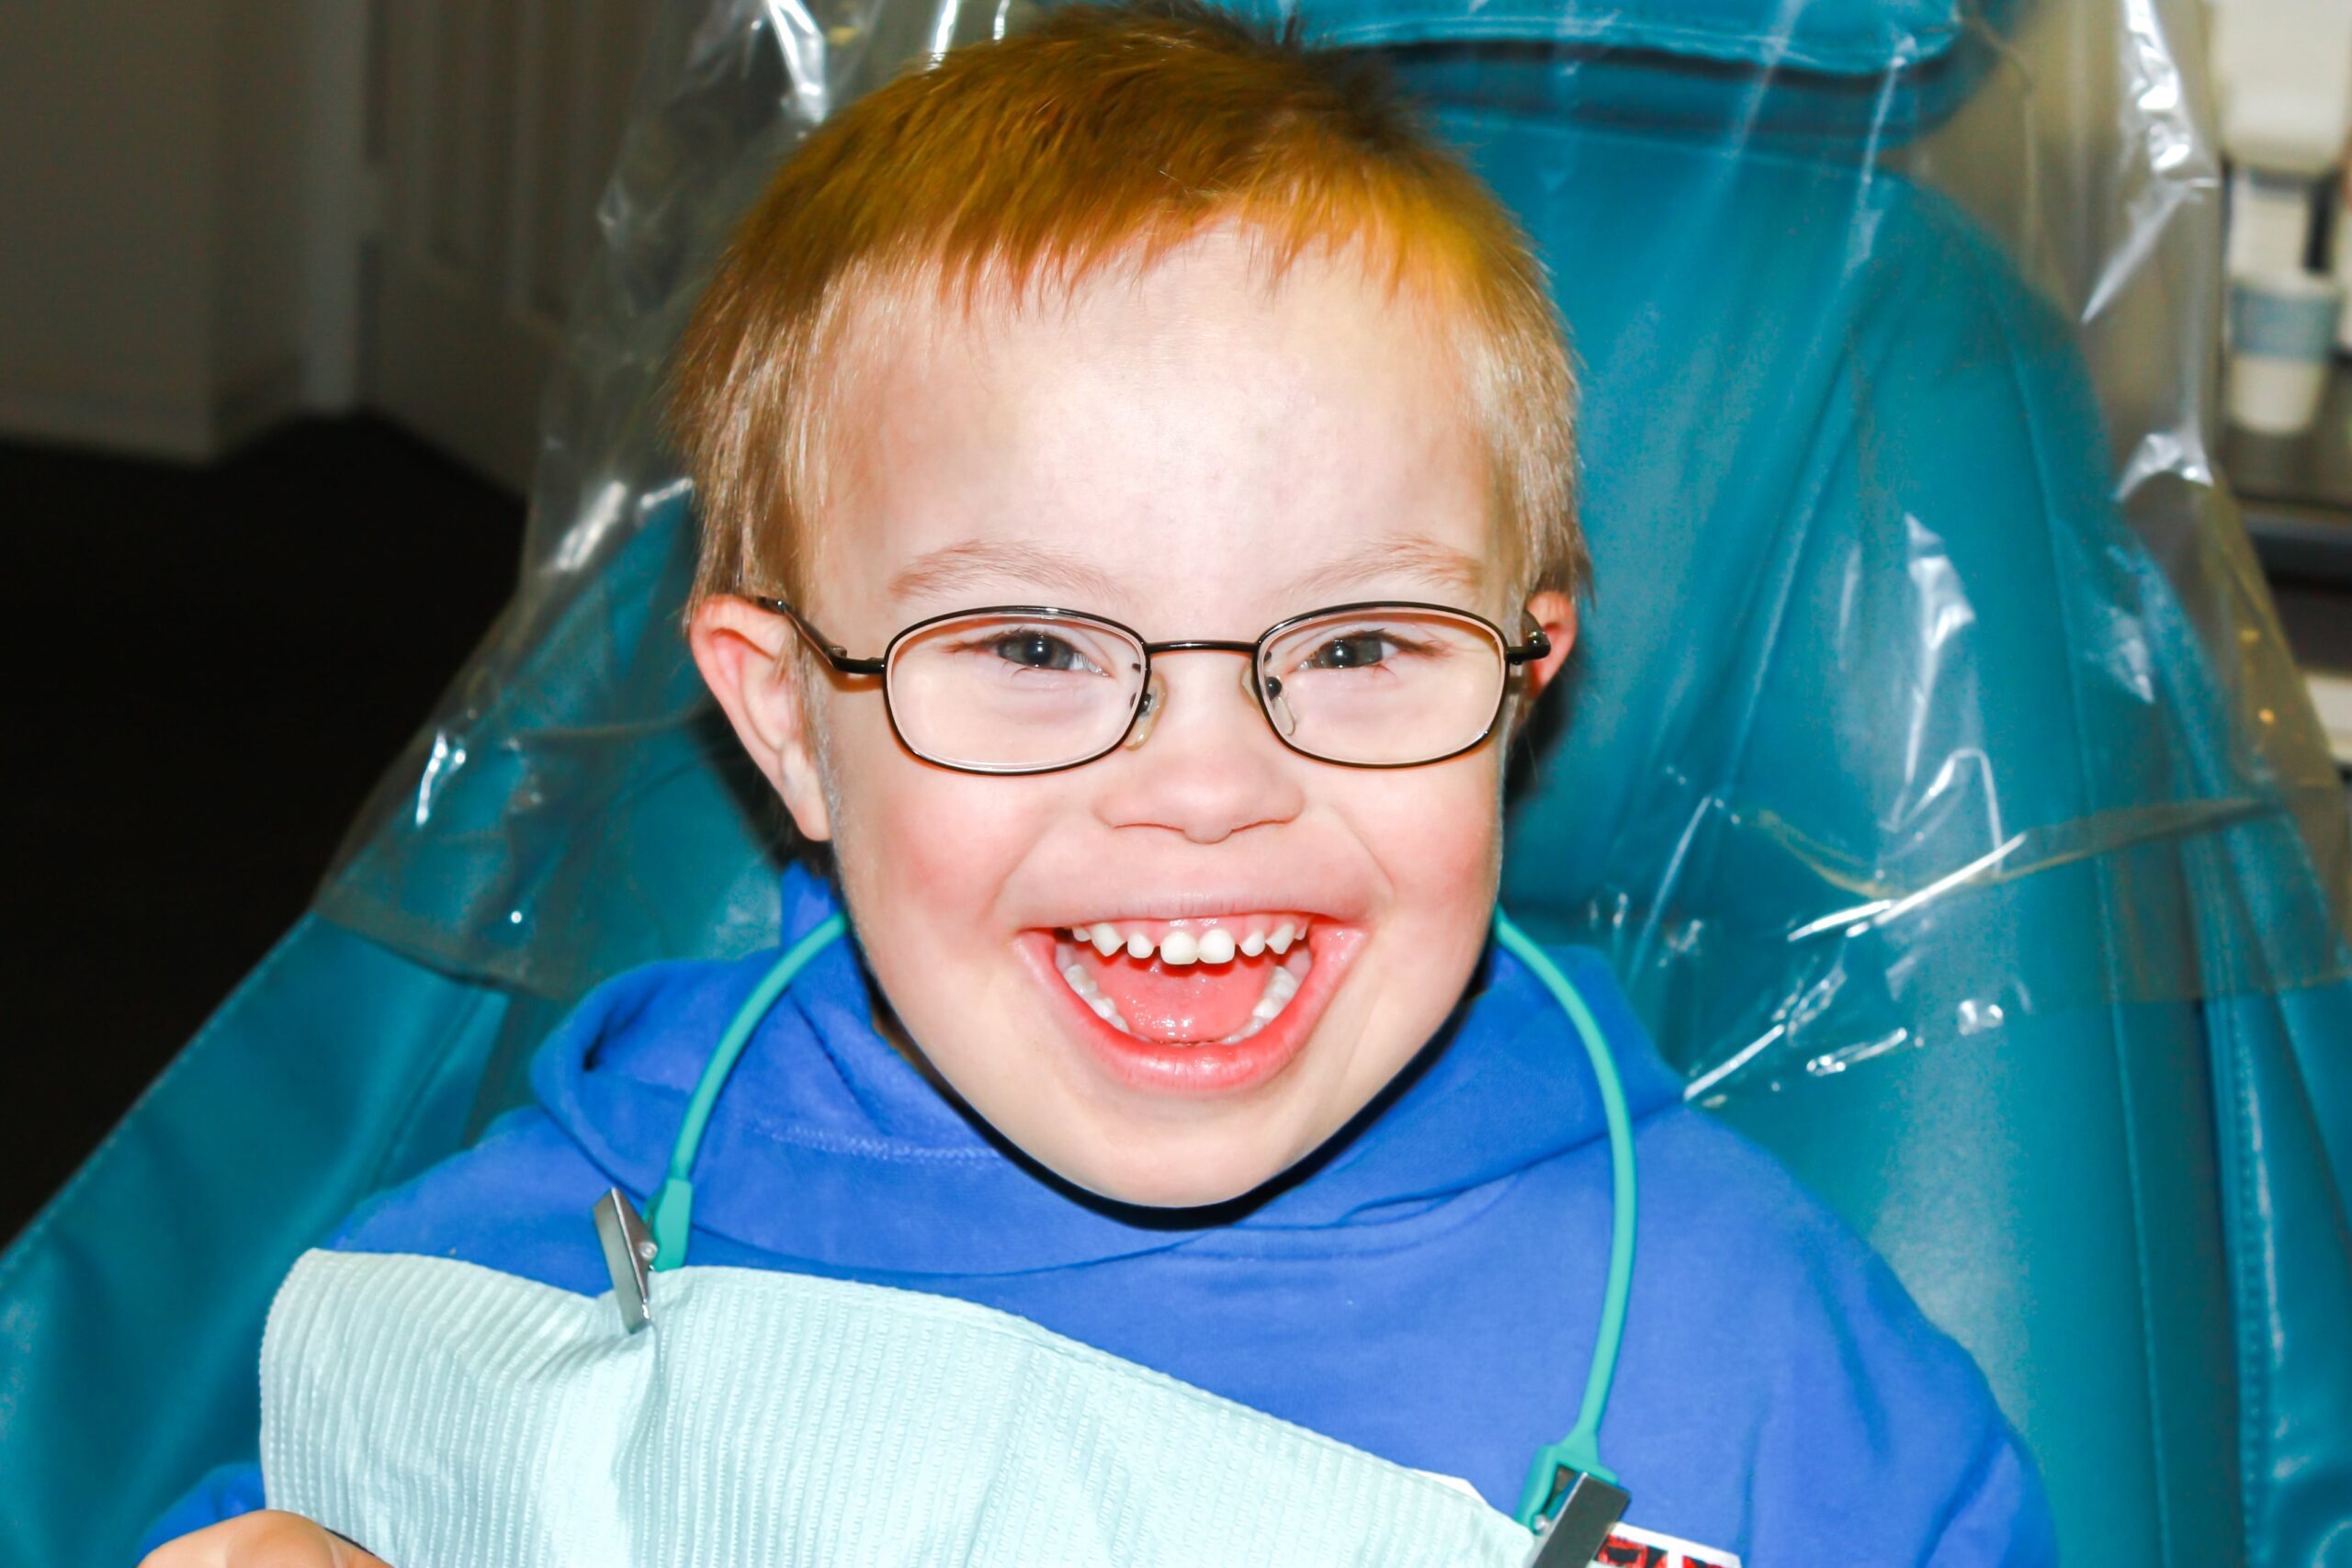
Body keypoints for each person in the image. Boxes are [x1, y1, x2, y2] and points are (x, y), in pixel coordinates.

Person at [141, 5, 2055, 1562]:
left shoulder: (1765, 1373)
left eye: (1357, 646)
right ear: (789, 716)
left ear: (1521, 677)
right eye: (1037, 650)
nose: (1203, 787)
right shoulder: (560, 1234)